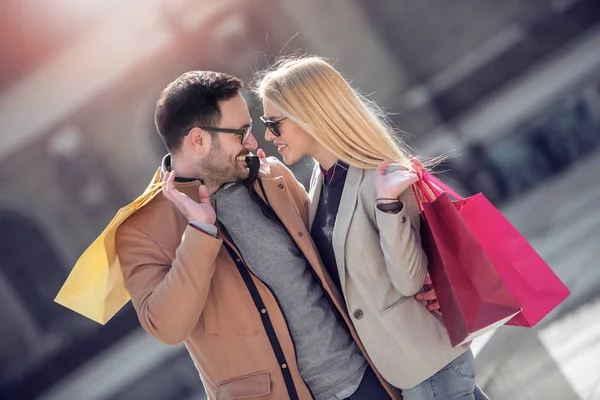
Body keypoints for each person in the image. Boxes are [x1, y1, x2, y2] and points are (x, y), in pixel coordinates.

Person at [115, 70, 438, 400]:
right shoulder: (140, 230)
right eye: (241, 134)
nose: (254, 143)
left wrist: (423, 289)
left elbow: (339, 258)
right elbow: (166, 326)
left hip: (368, 382)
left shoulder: (272, 177)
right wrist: (199, 232)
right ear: (198, 140)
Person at [255, 56, 490, 400]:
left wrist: (388, 204)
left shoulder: (381, 177)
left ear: (309, 114)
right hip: (404, 366)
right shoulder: (322, 181)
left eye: (274, 123)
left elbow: (409, 280)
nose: (268, 134)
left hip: (427, 363)